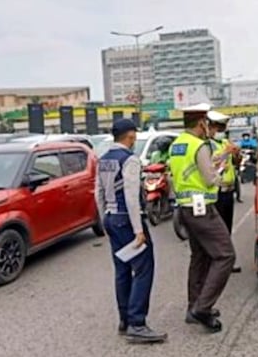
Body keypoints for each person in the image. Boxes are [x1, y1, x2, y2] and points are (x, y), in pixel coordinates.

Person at [97, 118, 167, 344]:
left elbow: (97, 193)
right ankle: (137, 323)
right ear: (129, 136)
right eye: (134, 135)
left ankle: (125, 319)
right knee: (143, 268)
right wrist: (139, 230)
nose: (135, 139)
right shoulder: (130, 160)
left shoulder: (104, 159)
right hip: (127, 221)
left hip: (111, 218)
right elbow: (131, 197)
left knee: (122, 269)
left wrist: (104, 220)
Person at [168, 103, 236, 333]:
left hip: (185, 208)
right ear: (201, 123)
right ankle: (203, 308)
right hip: (203, 207)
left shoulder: (177, 144)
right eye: (208, 123)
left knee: (200, 256)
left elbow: (188, 172)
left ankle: (192, 307)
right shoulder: (199, 145)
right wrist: (224, 179)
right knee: (225, 255)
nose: (210, 127)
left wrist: (215, 163)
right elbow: (209, 179)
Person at [206, 111, 242, 273]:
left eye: (223, 127)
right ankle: (215, 260)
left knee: (227, 228)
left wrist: (236, 154)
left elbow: (236, 162)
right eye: (219, 127)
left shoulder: (226, 142)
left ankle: (226, 260)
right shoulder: (207, 144)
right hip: (216, 192)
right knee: (216, 229)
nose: (221, 130)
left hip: (228, 190)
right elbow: (211, 163)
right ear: (211, 127)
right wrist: (226, 153)